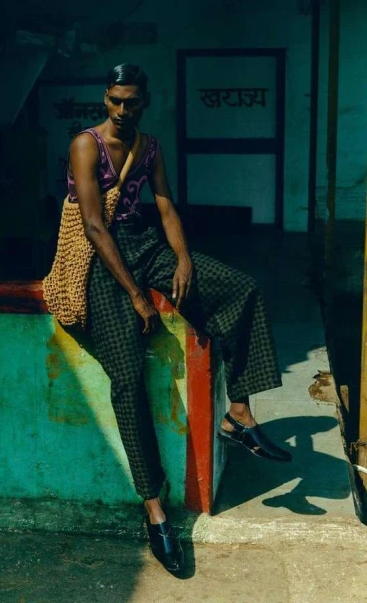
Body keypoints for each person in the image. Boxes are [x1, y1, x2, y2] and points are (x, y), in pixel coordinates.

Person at [66, 63, 291, 574]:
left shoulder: (149, 146)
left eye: (132, 101)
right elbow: (94, 225)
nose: (123, 110)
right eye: (116, 100)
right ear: (105, 98)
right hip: (101, 263)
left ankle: (239, 414)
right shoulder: (86, 145)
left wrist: (184, 258)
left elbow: (165, 205)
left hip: (144, 245)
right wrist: (137, 296)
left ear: (145, 101)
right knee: (128, 381)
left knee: (241, 289)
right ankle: (155, 511)